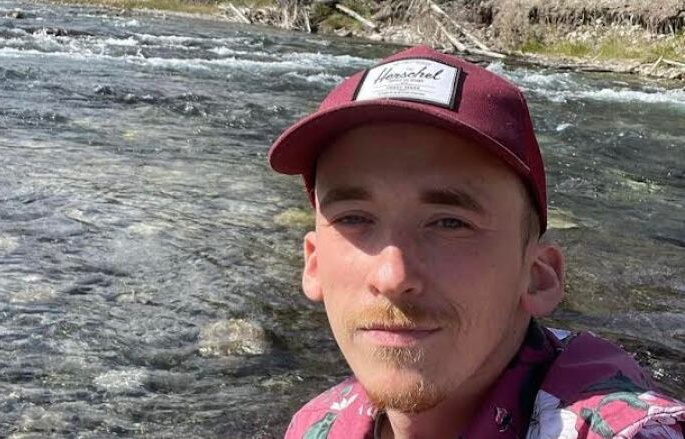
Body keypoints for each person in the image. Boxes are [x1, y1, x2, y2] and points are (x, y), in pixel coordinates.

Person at [267, 45, 685, 439]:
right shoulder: (316, 423)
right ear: (314, 263)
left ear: (538, 277)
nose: (393, 276)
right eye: (354, 218)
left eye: (450, 222)